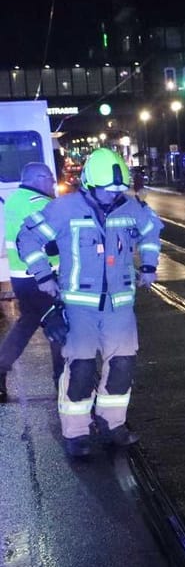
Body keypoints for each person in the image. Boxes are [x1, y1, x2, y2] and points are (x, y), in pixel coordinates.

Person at [16, 148, 163, 458]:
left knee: (122, 365)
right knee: (80, 369)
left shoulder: (131, 207)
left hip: (119, 306)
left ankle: (113, 425)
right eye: (106, 191)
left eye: (117, 191)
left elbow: (152, 231)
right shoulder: (64, 208)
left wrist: (149, 265)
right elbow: (27, 239)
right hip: (79, 307)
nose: (112, 196)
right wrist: (44, 276)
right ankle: (77, 432)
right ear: (89, 183)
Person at [0, 163, 63, 401]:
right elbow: (52, 242)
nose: (52, 184)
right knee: (60, 326)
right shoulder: (39, 203)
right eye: (49, 179)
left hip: (21, 278)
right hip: (42, 279)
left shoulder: (15, 199)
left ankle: (0, 369)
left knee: (26, 324)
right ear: (38, 179)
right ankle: (63, 380)